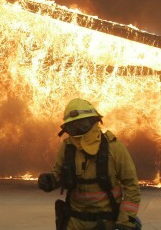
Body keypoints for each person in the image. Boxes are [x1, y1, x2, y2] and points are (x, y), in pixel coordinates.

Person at [38, 98, 141, 230]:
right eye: (73, 127)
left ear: (94, 121)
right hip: (74, 222)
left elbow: (131, 186)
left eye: (83, 124)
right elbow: (59, 173)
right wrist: (50, 180)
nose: (79, 130)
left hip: (107, 221)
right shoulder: (68, 147)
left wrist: (125, 222)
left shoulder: (114, 147)